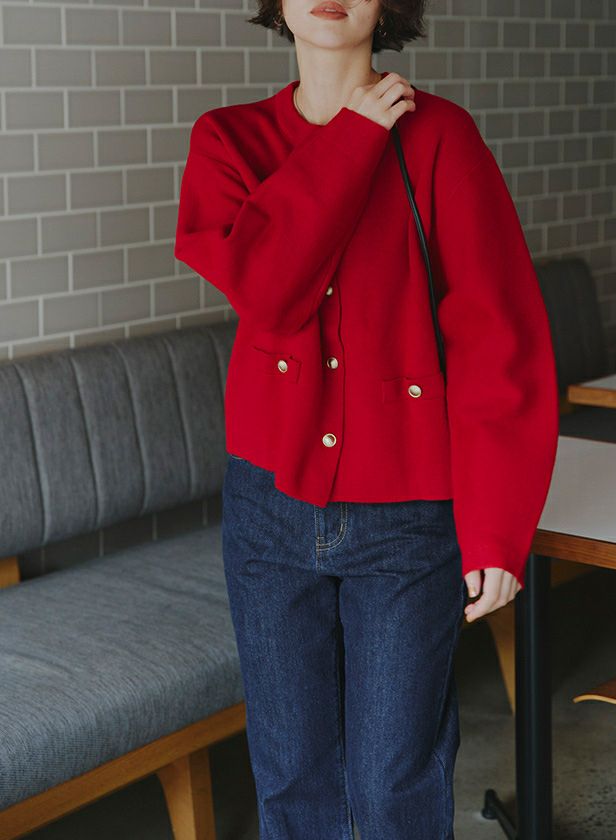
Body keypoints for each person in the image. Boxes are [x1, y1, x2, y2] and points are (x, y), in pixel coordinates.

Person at [173, 0, 559, 835]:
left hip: (410, 517)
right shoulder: (228, 140)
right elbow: (270, 294)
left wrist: (496, 527)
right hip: (269, 510)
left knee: (394, 787)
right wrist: (353, 136)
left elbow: (498, 337)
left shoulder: (442, 138)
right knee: (292, 783)